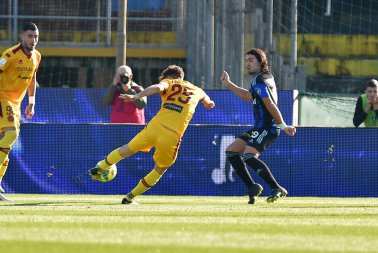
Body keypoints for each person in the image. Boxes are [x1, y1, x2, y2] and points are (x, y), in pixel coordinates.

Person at [89, 65, 215, 204]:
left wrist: (137, 96)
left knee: (127, 149)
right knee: (160, 168)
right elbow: (206, 97)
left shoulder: (169, 82)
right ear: (181, 77)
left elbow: (157, 87)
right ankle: (129, 197)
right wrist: (208, 102)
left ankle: (100, 168)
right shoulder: (197, 90)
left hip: (155, 126)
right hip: (171, 135)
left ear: (167, 77)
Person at [220, 48, 296, 204]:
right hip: (260, 127)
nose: (247, 64)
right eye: (246, 60)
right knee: (232, 151)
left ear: (261, 62)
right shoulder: (264, 78)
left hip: (267, 126)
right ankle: (252, 187)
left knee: (248, 156)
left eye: (251, 60)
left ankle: (276, 187)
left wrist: (283, 125)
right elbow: (248, 96)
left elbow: (270, 105)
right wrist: (228, 84)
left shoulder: (259, 79)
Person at [0, 22, 40, 201]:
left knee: (6, 147)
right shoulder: (10, 55)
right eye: (30, 36)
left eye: (36, 36)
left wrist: (31, 101)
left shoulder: (37, 56)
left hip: (16, 104)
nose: (33, 40)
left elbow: (32, 80)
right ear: (22, 36)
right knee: (12, 134)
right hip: (3, 98)